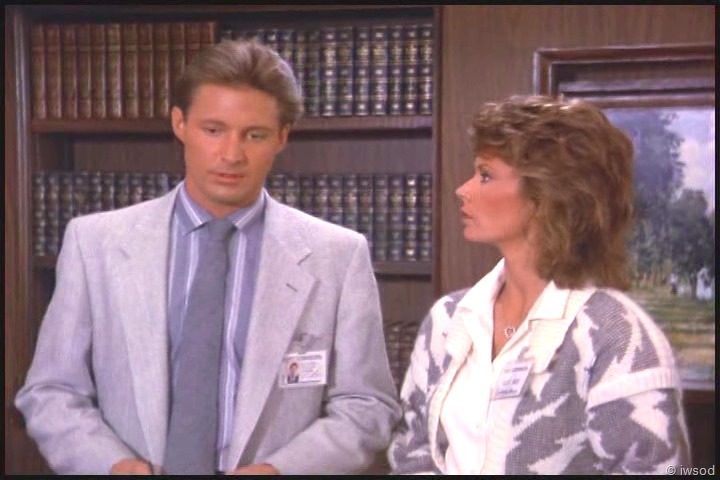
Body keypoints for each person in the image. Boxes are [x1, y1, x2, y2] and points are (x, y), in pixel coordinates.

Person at [15, 39, 400, 475]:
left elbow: (367, 405)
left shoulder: (338, 256)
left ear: (281, 137)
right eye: (214, 130)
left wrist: (281, 471)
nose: (232, 155)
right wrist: (112, 465)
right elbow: (52, 391)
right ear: (180, 123)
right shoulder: (95, 243)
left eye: (254, 135)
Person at [388, 95, 690, 474]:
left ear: (545, 196)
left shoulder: (616, 335)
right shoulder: (448, 320)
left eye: (485, 175)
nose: (462, 189)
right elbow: (412, 453)